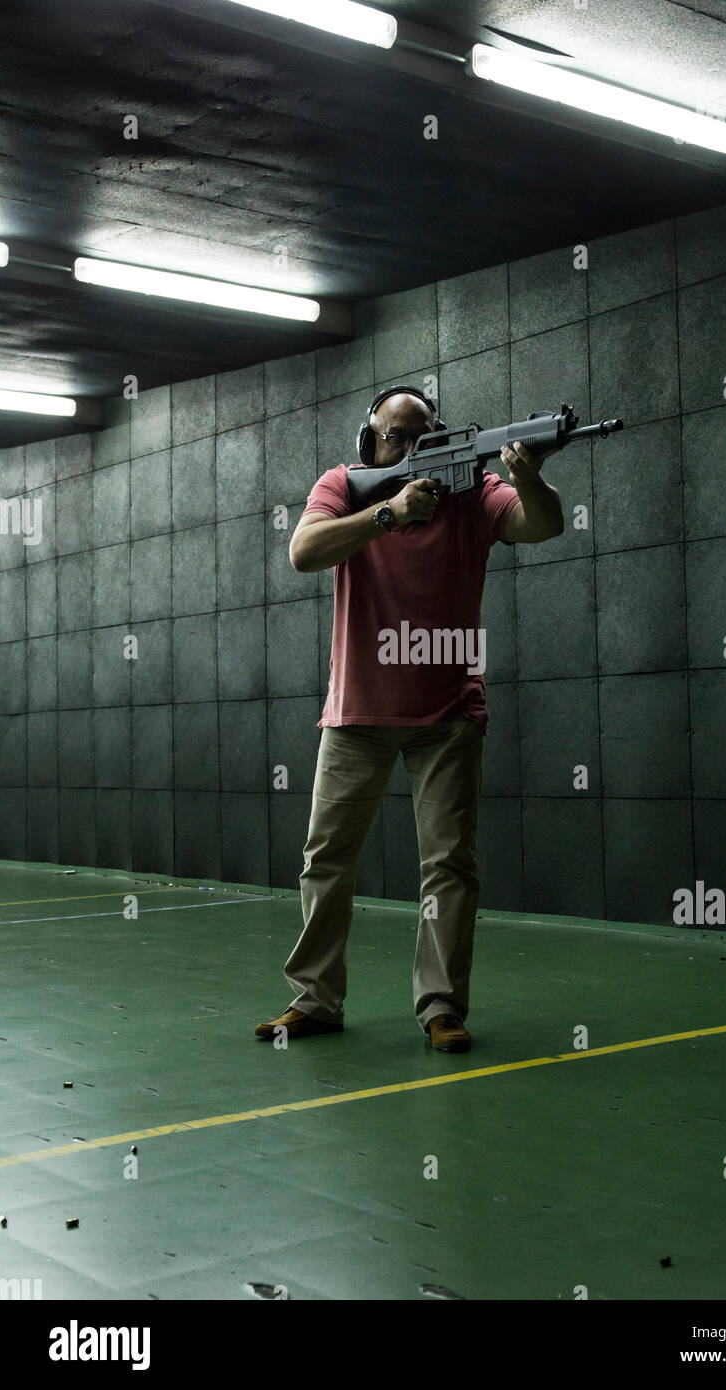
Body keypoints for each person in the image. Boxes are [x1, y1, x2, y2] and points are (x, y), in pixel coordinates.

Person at [255, 385, 563, 1052]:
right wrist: (389, 513)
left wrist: (530, 479)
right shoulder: (345, 484)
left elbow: (544, 525)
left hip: (449, 712)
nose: (407, 447)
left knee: (449, 866)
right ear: (370, 438)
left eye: (419, 436)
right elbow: (303, 552)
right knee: (326, 861)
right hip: (356, 711)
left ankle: (442, 1007)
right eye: (395, 436)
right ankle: (315, 999)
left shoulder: (474, 488)